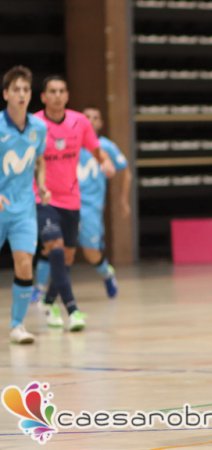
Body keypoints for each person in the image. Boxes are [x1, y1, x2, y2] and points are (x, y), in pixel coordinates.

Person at [34, 75, 115, 332]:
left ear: (67, 96)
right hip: (44, 197)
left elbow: (94, 148)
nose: (57, 95)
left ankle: (49, 302)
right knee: (55, 248)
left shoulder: (80, 122)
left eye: (61, 91)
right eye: (52, 91)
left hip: (71, 199)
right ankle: (72, 309)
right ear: (43, 97)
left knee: (67, 257)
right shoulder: (35, 124)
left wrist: (105, 162)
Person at [33, 107, 130, 300]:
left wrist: (123, 200)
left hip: (90, 208)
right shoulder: (69, 141)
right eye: (87, 117)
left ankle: (107, 274)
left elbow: (125, 171)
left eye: (95, 117)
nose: (91, 121)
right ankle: (40, 289)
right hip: (61, 202)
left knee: (91, 251)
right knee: (51, 244)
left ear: (101, 123)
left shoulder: (105, 147)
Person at [0, 66, 49, 344]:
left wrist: (41, 185)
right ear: (5, 94)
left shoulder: (38, 128)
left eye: (26, 90)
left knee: (24, 264)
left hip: (24, 209)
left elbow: (39, 161)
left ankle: (17, 325)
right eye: (16, 89)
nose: (21, 94)